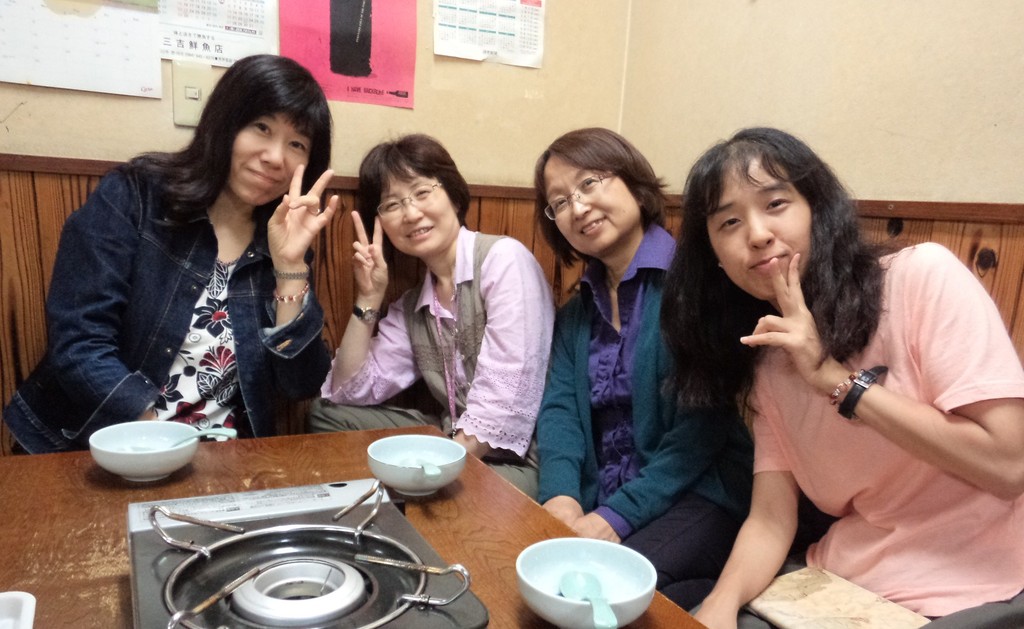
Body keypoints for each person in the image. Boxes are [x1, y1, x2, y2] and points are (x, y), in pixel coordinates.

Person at [662, 127, 1024, 628]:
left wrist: (833, 379)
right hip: (847, 581)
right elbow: (771, 518)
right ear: (717, 261)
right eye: (729, 222)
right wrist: (720, 605)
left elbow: (1009, 465)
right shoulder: (770, 364)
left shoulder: (921, 278)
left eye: (775, 204)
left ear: (818, 209)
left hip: (979, 581)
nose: (757, 233)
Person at [3, 54, 339, 453]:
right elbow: (80, 343)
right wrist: (160, 439)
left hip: (221, 458)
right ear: (225, 122)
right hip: (92, 447)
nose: (275, 156)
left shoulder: (283, 238)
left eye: (296, 144)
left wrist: (289, 268)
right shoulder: (135, 196)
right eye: (261, 127)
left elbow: (301, 384)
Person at [532, 127, 753, 609]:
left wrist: (617, 517)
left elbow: (701, 431)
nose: (578, 207)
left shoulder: (697, 287)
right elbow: (560, 412)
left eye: (589, 183)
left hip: (701, 491)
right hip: (605, 494)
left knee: (605, 594)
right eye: (560, 202)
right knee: (549, 587)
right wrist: (561, 498)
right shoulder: (576, 313)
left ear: (634, 183)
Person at [311, 134, 554, 498]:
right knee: (326, 413)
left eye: (422, 192)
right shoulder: (414, 305)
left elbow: (503, 402)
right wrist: (369, 297)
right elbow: (349, 391)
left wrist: (432, 469)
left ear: (453, 196)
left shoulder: (504, 260)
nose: (411, 214)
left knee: (435, 501)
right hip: (451, 439)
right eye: (392, 204)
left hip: (520, 461)